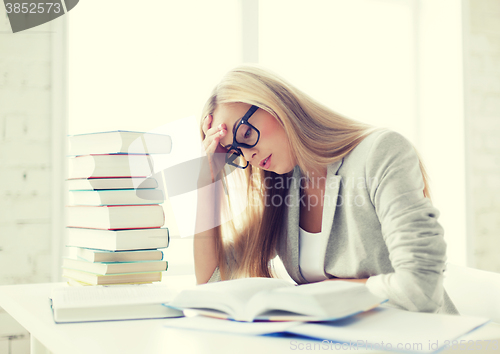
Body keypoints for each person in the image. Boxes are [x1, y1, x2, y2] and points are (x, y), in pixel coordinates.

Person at [193, 64, 459, 314]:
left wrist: (316, 293)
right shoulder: (282, 189)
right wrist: (206, 183)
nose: (249, 155)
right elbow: (212, 279)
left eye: (246, 134)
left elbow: (421, 288)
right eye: (235, 152)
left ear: (276, 105)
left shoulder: (380, 152)